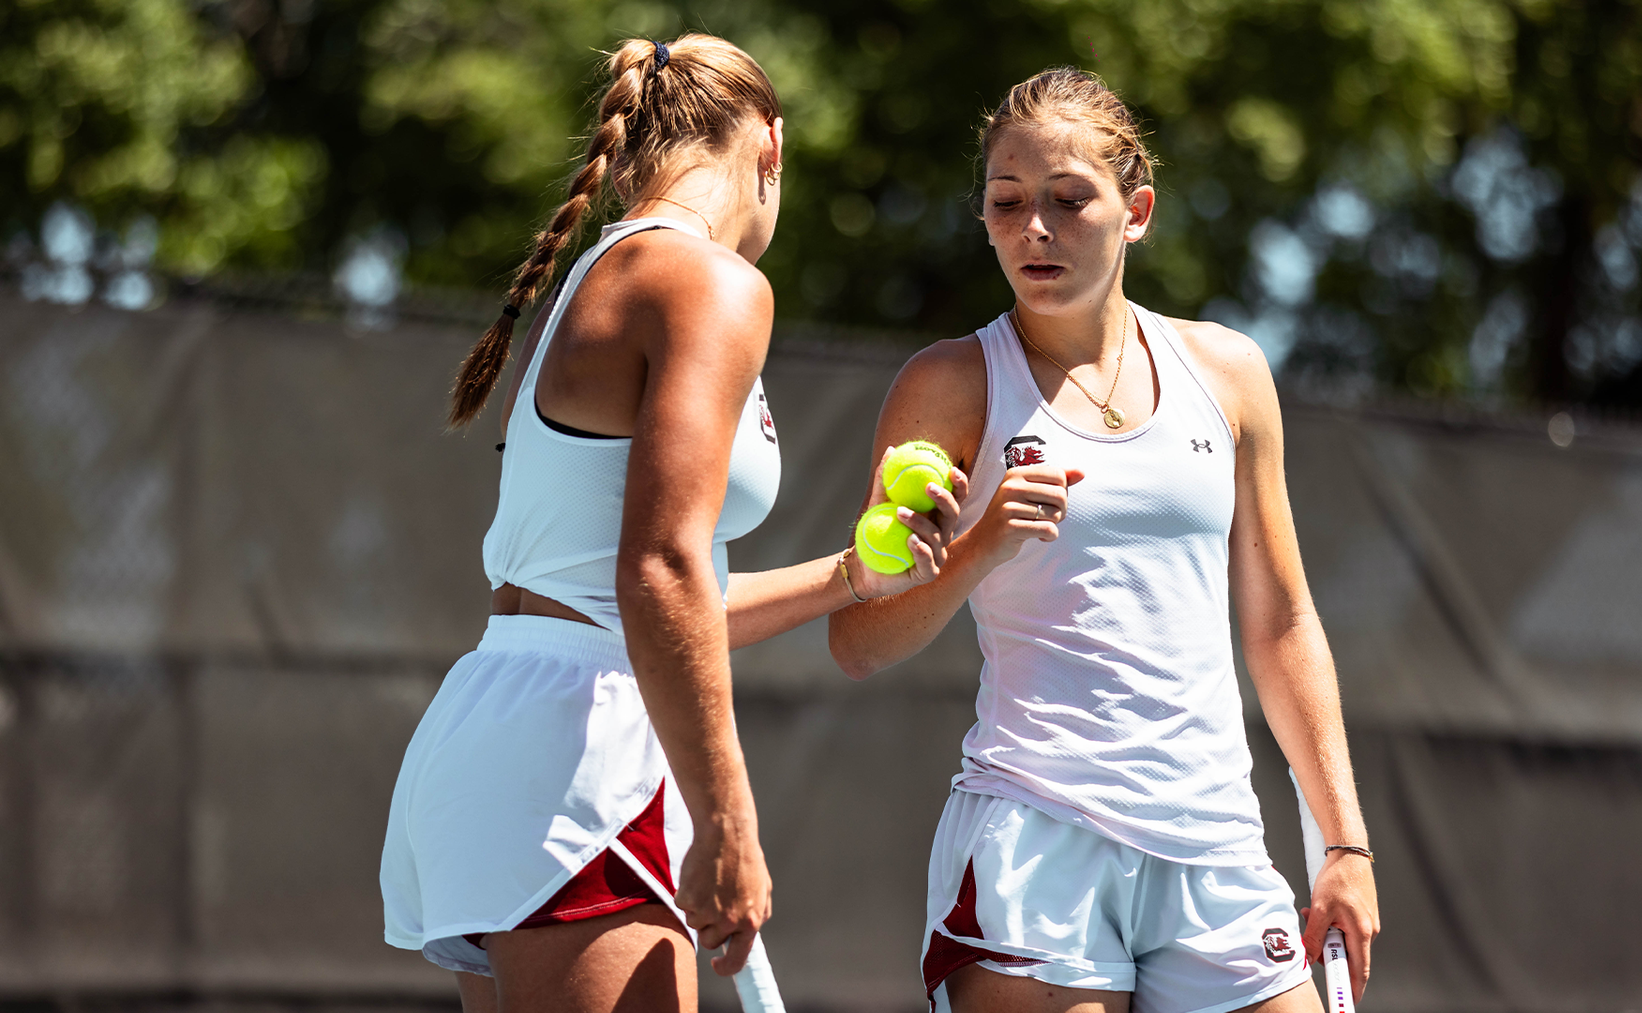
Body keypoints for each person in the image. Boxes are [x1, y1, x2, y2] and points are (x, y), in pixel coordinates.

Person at [380, 34, 963, 1013]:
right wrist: (726, 818)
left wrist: (854, 579)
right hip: (579, 754)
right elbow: (658, 573)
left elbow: (654, 601)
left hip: (511, 734)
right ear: (771, 146)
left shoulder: (609, 270)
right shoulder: (711, 281)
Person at [828, 68, 1379, 1013]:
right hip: (1035, 839)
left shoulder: (1232, 372)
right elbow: (857, 638)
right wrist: (979, 547)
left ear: (1138, 211)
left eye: (1068, 199)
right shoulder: (951, 384)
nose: (1033, 229)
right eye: (1006, 204)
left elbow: (1282, 622)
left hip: (1217, 847)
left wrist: (1344, 844)